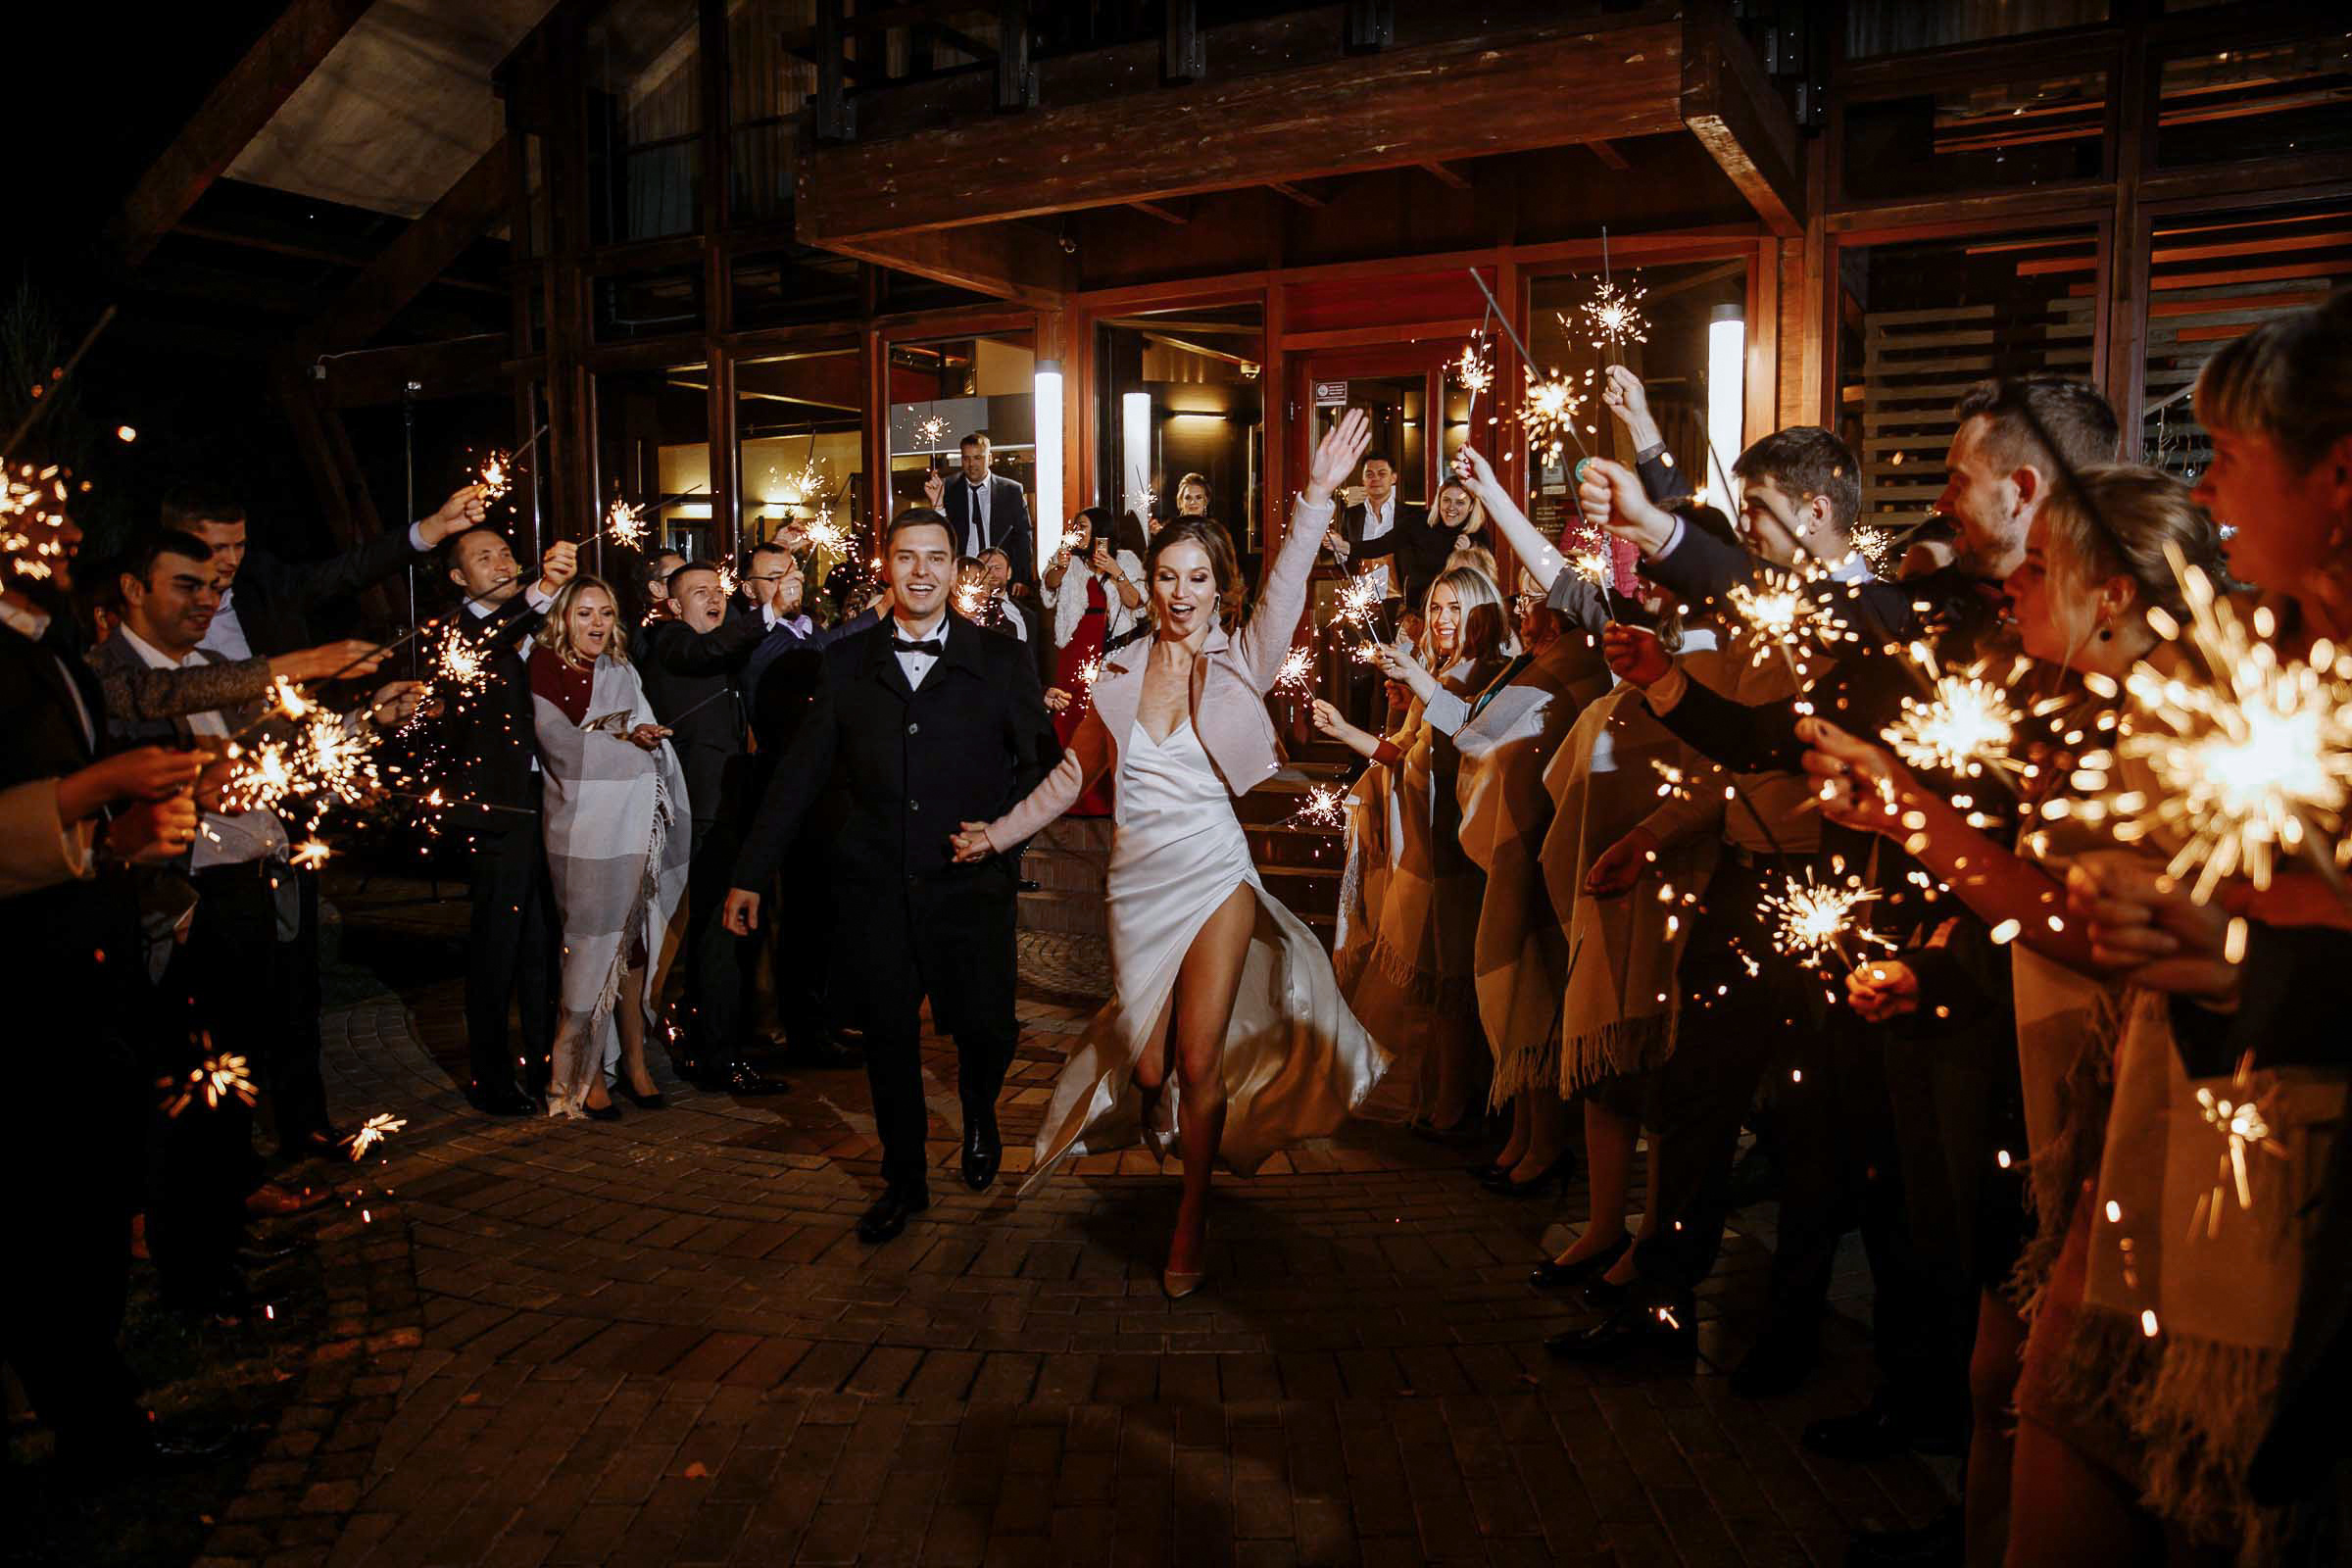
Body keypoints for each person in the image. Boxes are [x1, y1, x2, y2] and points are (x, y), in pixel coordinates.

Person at [1796, 464, 2225, 1567]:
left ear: (2113, 594)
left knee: (2073, 1411)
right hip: (2050, 1085)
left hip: (2134, 1113)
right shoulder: (2072, 705)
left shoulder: (2184, 735)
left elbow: (2086, 927)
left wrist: (1908, 813)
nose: (2015, 587)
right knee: (2009, 1380)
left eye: (2042, 569)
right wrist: (1935, 947)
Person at [954, 410, 1390, 1296]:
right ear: (1146, 582)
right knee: (1151, 1066)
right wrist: (996, 833)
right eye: (1167, 576)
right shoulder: (1115, 675)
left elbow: (1286, 592)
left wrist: (1315, 496)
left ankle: (1192, 1217)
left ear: (1218, 588)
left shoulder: (1241, 662)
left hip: (1216, 871)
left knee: (1198, 1062)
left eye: (1198, 578)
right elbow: (1070, 778)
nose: (1181, 592)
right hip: (1136, 885)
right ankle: (1159, 1115)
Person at [724, 507, 1058, 1245]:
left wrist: (1001, 836)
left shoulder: (1001, 658)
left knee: (987, 1028)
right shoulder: (845, 663)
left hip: (971, 883)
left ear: (955, 568)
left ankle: (979, 1111)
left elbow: (1040, 763)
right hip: (877, 884)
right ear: (887, 566)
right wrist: (750, 871)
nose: (921, 572)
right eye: (907, 557)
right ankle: (903, 1179)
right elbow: (800, 774)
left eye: (935, 557)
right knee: (887, 1037)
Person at [0, 502, 220, 1480]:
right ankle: (95, 1428)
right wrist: (98, 811)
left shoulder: (47, 646)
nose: (57, 541)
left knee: (85, 1205)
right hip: (26, 978)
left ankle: (96, 1413)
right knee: (53, 1217)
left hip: (85, 963)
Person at [1315, 564, 1515, 1136]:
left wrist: (1419, 683)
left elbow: (1472, 734)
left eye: (1455, 608)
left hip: (1462, 845)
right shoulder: (1440, 672)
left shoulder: (1494, 676)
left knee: (1455, 982)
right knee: (1435, 981)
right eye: (1435, 608)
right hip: (1425, 844)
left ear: (1482, 612)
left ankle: (1456, 1102)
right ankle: (1438, 1096)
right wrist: (1344, 730)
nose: (1442, 619)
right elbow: (1403, 751)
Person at [527, 576, 691, 1119]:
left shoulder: (621, 669)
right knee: (589, 944)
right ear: (563, 619)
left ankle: (636, 1064)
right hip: (580, 828)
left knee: (632, 941)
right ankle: (586, 1070)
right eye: (584, 613)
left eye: (605, 612)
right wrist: (627, 747)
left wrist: (645, 737)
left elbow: (639, 723)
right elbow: (558, 744)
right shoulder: (546, 666)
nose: (597, 623)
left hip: (629, 825)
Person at [436, 528, 573, 1115]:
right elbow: (494, 638)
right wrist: (541, 591)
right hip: (499, 811)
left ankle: (545, 1068)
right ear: (458, 578)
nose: (500, 564)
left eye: (505, 554)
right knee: (497, 947)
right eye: (483, 558)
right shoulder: (458, 633)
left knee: (543, 941)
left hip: (549, 799)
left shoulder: (537, 622)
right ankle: (490, 1079)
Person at [1041, 507, 1145, 815]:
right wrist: (1059, 566)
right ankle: (1069, 800)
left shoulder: (1125, 559)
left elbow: (1137, 603)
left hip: (1113, 650)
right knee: (1070, 718)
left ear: (1101, 529)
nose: (1078, 531)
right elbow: (1049, 587)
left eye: (1083, 526)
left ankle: (1105, 799)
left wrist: (1116, 571)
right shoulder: (1068, 558)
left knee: (1106, 720)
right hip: (1075, 648)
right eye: (1076, 526)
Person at [939, 432, 1034, 590]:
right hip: (963, 579)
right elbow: (942, 534)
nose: (971, 464)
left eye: (978, 458)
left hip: (1000, 579)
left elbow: (1023, 537)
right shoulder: (948, 488)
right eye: (966, 458)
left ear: (989, 458)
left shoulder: (1011, 490)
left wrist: (1021, 578)